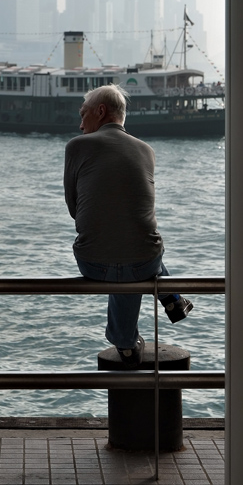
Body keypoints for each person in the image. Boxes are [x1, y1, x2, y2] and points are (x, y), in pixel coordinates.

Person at [63, 84, 193, 369]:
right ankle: (171, 297)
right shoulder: (147, 151)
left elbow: (75, 210)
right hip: (144, 263)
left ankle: (125, 343)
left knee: (121, 250)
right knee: (138, 248)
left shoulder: (76, 146)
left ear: (101, 112)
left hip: (92, 264)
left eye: (84, 114)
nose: (80, 123)